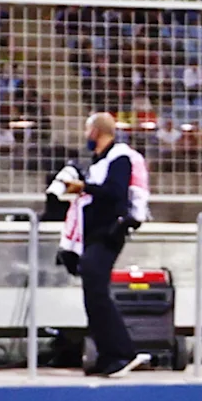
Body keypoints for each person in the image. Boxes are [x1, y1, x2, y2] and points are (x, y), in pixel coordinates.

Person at [61, 111, 151, 376]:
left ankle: (122, 352)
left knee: (97, 291)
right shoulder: (100, 160)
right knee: (93, 292)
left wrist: (84, 188)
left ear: (95, 132)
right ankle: (107, 354)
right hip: (95, 233)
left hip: (109, 232)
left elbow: (115, 192)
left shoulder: (118, 157)